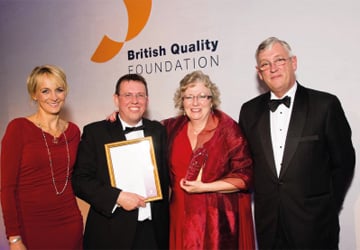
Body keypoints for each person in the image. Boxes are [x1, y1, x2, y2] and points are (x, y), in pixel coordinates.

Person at [239, 37, 356, 249]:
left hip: (315, 224)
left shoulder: (325, 105)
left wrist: (329, 205)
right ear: (259, 73)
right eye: (265, 64)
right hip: (269, 226)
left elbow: (344, 162)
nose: (273, 68)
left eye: (279, 60)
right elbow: (246, 164)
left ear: (294, 63)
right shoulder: (248, 112)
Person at [72, 73, 169, 250]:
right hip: (111, 233)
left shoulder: (158, 131)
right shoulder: (95, 132)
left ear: (146, 100)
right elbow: (80, 181)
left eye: (140, 95)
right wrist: (117, 197)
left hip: (153, 233)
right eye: (128, 95)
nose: (135, 100)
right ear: (116, 99)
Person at [162, 70, 255, 250]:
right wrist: (118, 117)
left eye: (202, 96)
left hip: (215, 221)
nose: (195, 103)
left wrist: (205, 187)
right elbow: (140, 132)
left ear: (211, 100)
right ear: (182, 101)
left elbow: (245, 177)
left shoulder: (228, 129)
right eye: (189, 97)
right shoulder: (170, 128)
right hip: (179, 217)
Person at [1, 65, 83, 249]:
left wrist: (115, 120)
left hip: (70, 224)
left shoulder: (73, 132)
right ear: (34, 94)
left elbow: (84, 171)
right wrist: (14, 237)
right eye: (45, 91)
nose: (54, 97)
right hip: (31, 227)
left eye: (59, 90)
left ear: (65, 92)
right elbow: (7, 188)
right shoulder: (18, 128)